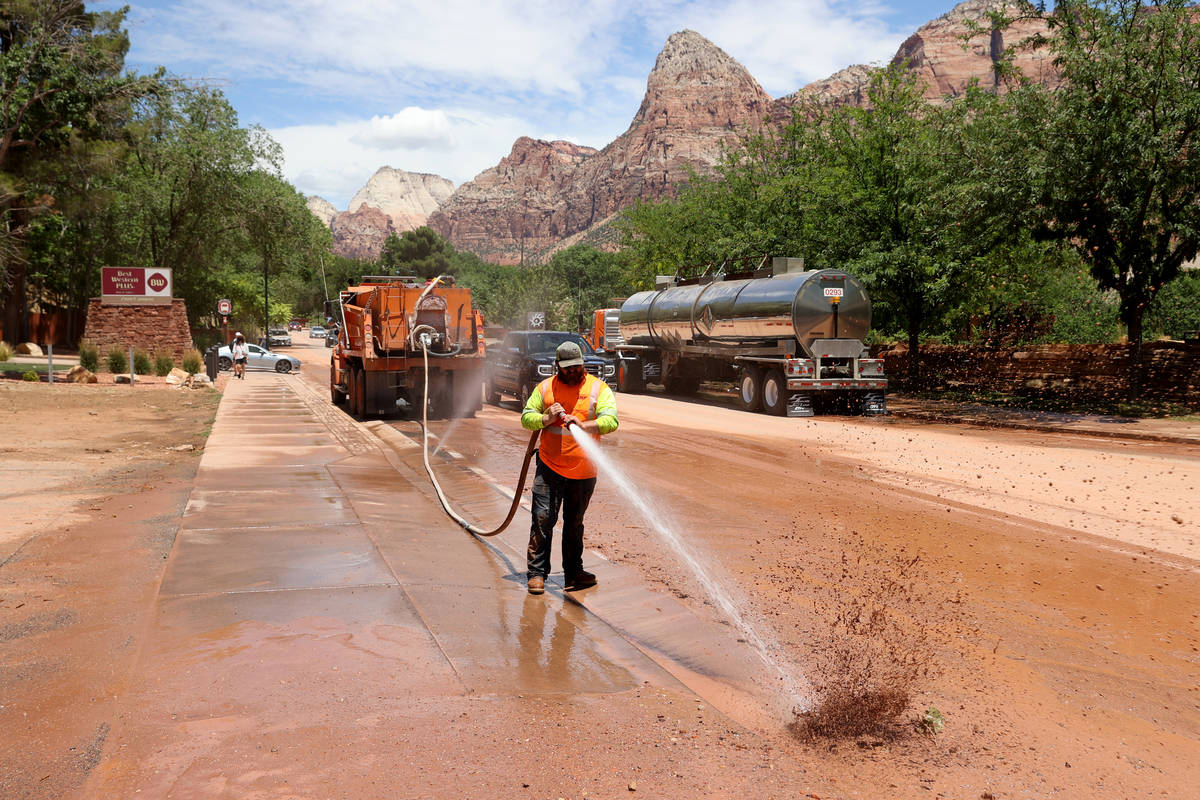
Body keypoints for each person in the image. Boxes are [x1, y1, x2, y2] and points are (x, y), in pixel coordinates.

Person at [520, 341, 618, 595]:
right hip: (550, 467)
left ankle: (574, 573)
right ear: (557, 366)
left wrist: (586, 425)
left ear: (583, 364)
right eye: (567, 368)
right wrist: (545, 418)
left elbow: (611, 420)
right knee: (542, 520)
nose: (573, 372)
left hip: (583, 472)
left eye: (577, 367)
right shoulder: (545, 388)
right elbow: (526, 417)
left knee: (574, 523)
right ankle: (537, 574)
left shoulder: (599, 389)